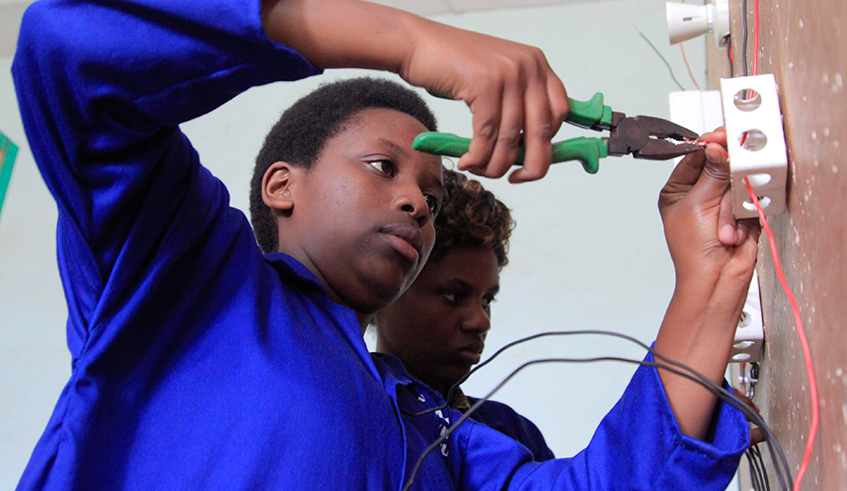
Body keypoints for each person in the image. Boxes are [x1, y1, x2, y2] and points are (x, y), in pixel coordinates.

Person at [11, 0, 758, 488]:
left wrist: (707, 279)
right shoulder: (185, 275)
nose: (414, 201)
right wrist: (405, 39)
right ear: (281, 185)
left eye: (431, 201)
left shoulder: (434, 433)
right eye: (382, 167)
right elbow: (71, 52)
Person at [373, 169, 555, 462]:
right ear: (387, 290)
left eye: (487, 300)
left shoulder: (514, 435)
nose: (482, 322)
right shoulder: (350, 412)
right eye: (454, 296)